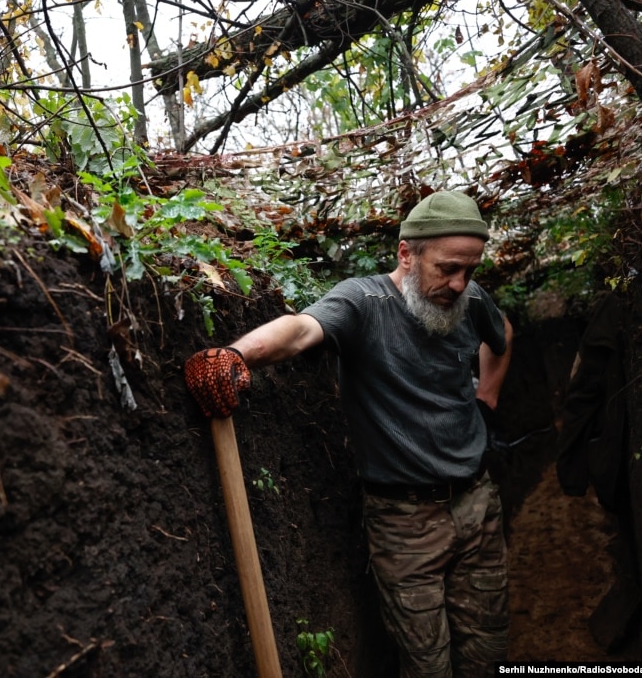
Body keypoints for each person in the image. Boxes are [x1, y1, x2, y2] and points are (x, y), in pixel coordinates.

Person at [184, 191, 514, 677]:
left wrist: (487, 396)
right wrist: (235, 356)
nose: (459, 282)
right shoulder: (364, 302)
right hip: (405, 523)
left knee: (489, 652)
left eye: (470, 270)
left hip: (479, 505)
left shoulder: (472, 299)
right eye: (447, 269)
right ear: (407, 253)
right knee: (429, 666)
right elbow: (299, 331)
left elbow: (502, 334)